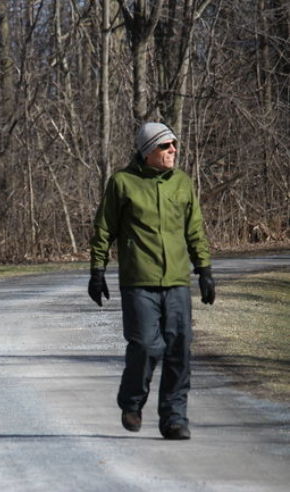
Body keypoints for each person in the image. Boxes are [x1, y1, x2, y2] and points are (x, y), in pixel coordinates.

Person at [88, 122, 215, 440]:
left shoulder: (182, 183)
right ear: (148, 152)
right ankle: (131, 403)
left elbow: (194, 228)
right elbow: (105, 228)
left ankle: (174, 418)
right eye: (166, 146)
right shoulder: (122, 183)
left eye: (174, 145)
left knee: (178, 350)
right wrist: (97, 270)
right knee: (146, 345)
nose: (173, 150)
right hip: (138, 281)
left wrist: (205, 269)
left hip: (176, 281)